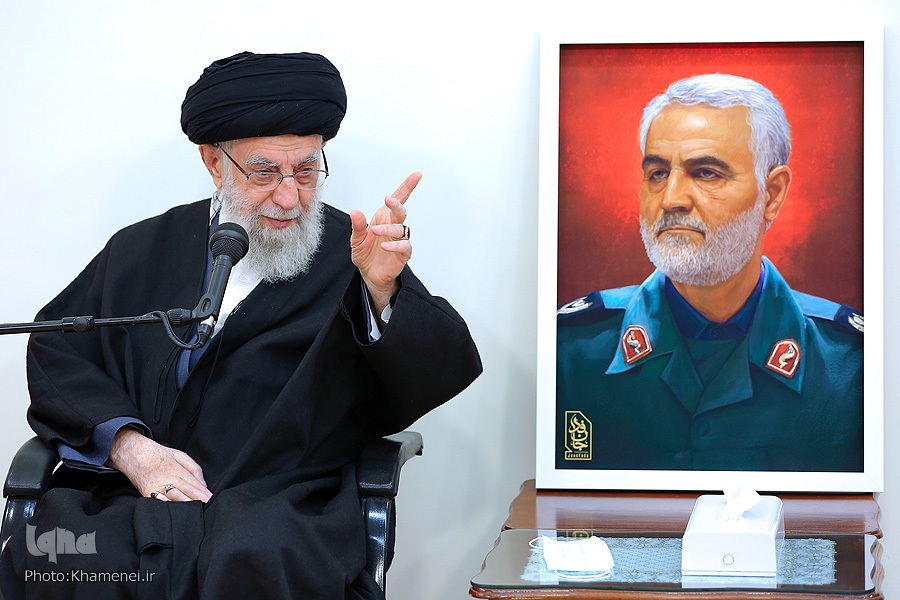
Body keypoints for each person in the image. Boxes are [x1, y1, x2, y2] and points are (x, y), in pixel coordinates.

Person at [0, 51, 482, 599]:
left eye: (306, 171)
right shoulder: (143, 248)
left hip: (280, 505)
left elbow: (440, 368)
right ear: (214, 162)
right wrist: (130, 449)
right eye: (265, 172)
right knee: (69, 558)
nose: (289, 196)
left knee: (253, 553)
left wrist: (382, 291)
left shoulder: (350, 254)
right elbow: (58, 350)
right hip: (128, 497)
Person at [556, 73, 863, 473]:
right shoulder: (571, 351)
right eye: (657, 173)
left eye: (706, 173)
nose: (671, 199)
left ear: (772, 194)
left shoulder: (852, 365)